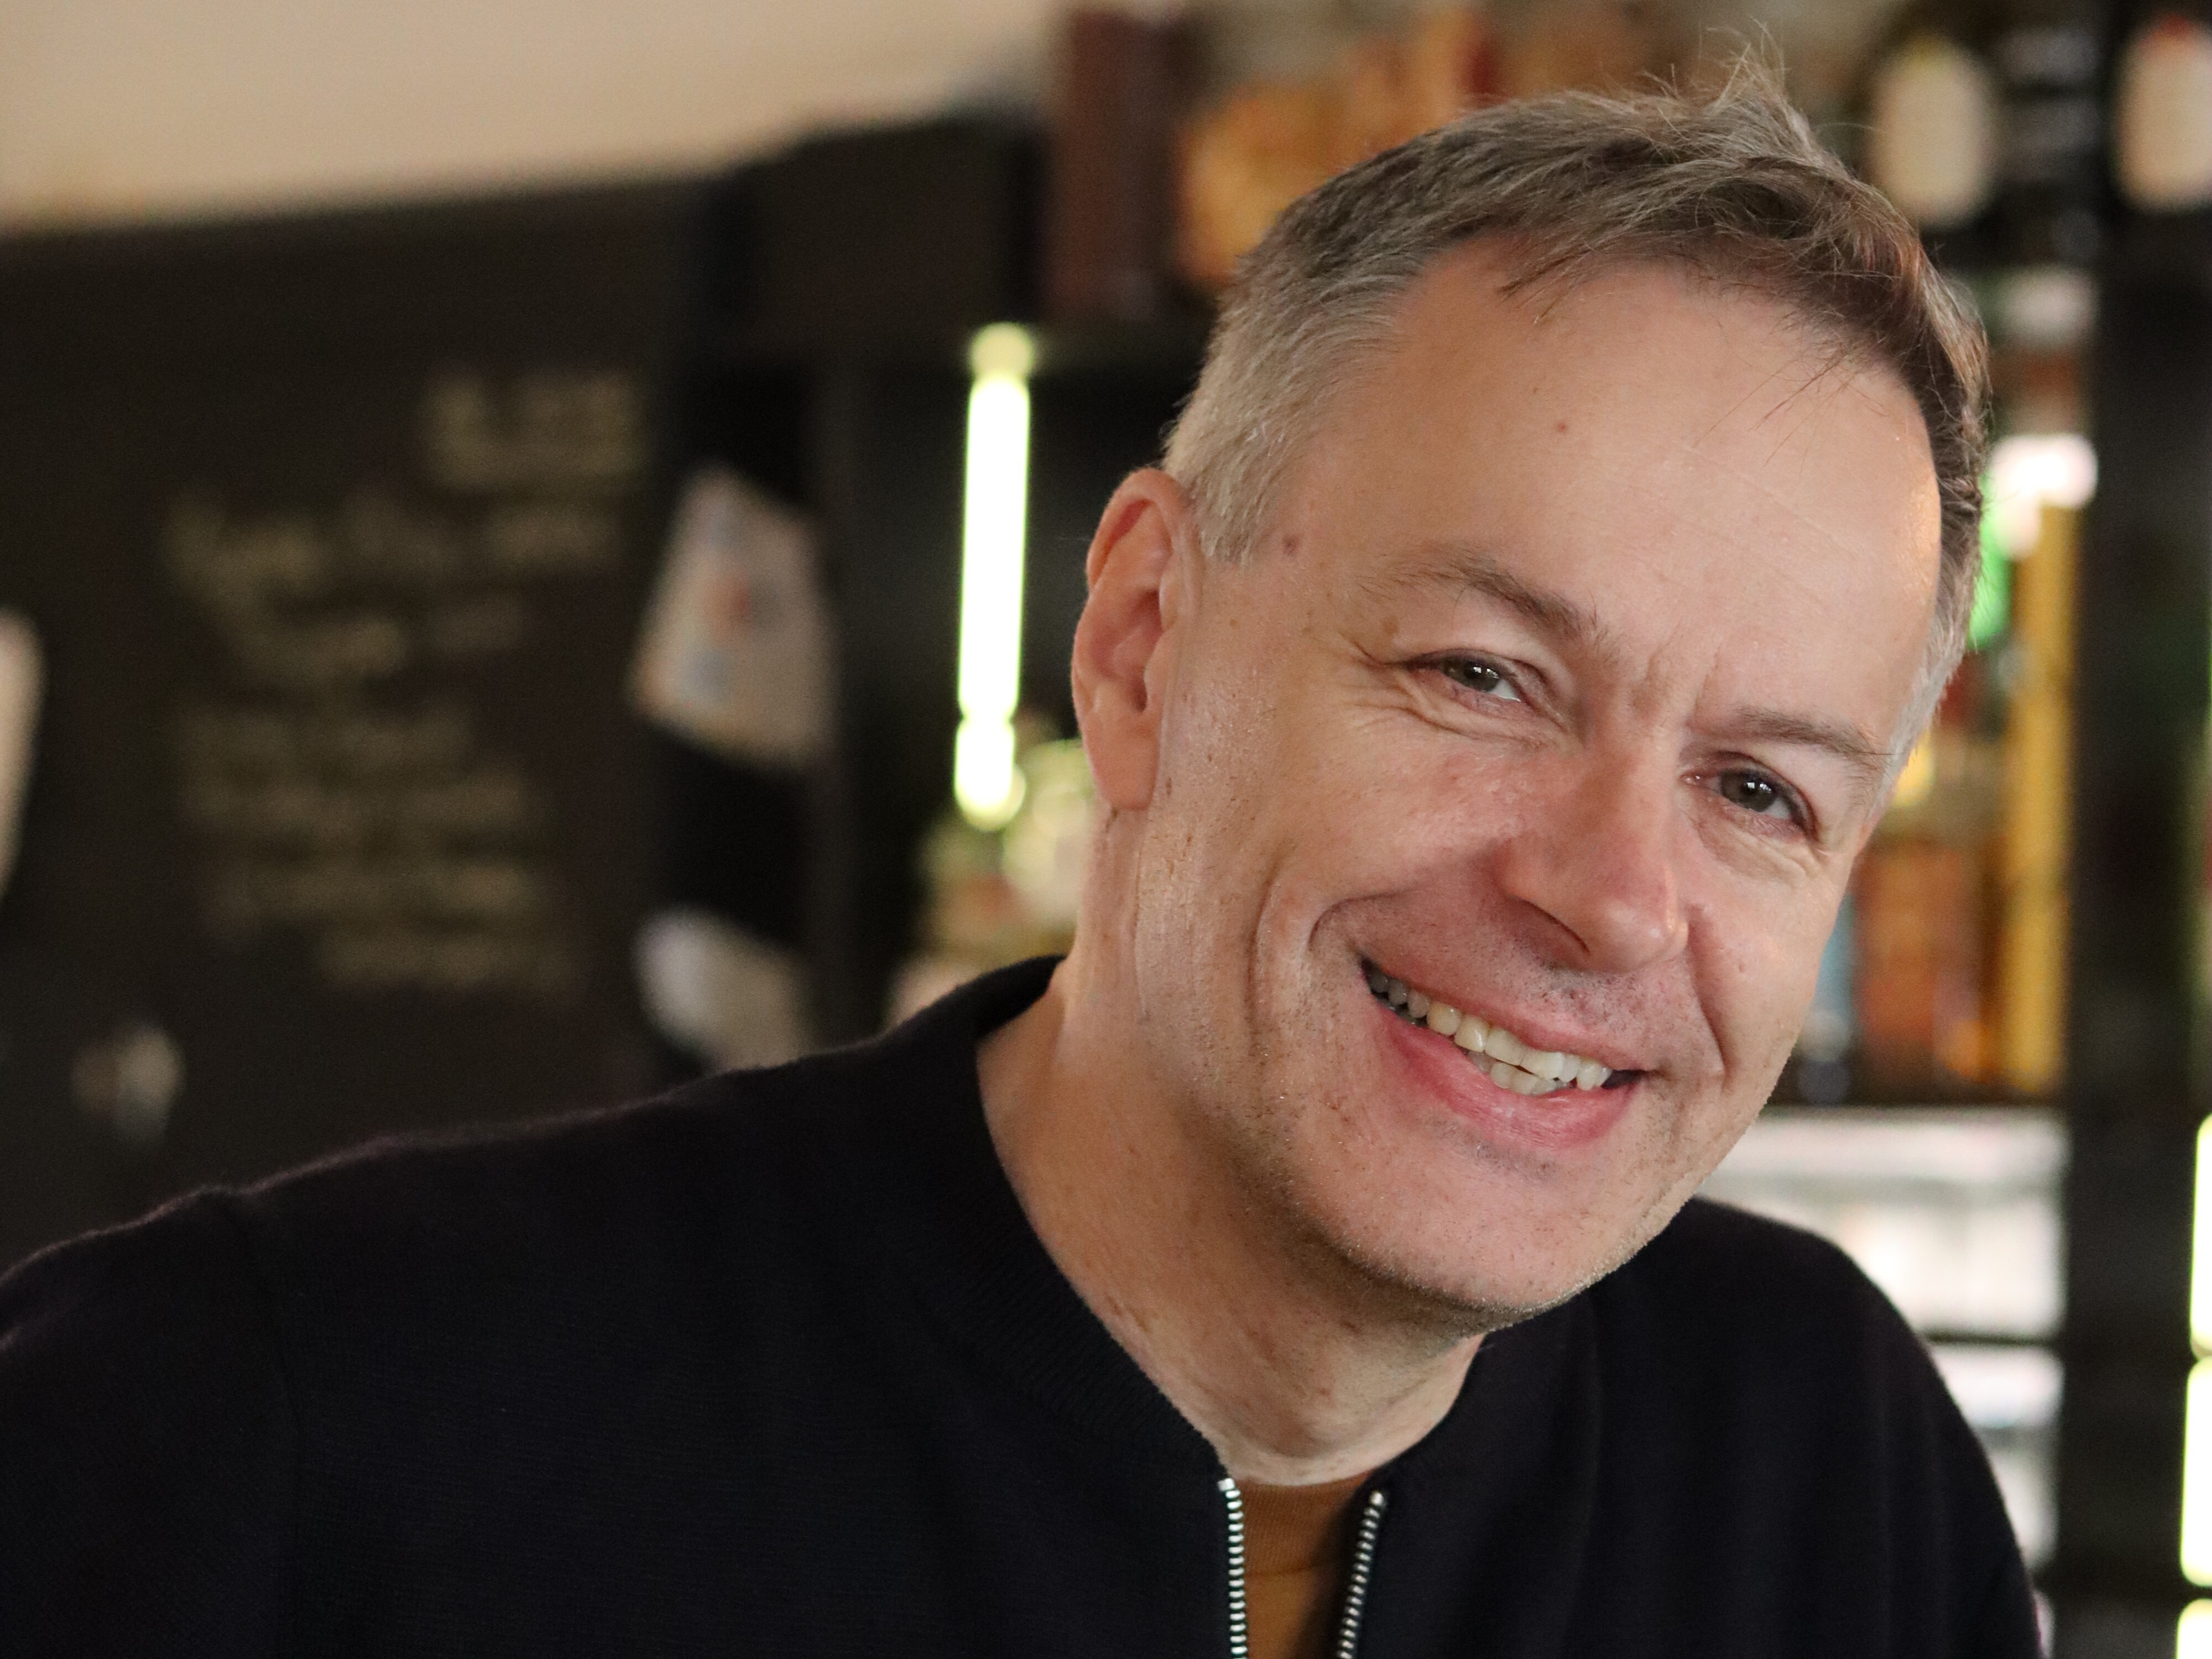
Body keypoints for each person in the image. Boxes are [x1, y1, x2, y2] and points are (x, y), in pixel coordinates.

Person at [0, 67, 2036, 1658]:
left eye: (1760, 791)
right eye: (1482, 676)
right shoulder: (278, 1429)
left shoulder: (1828, 1483)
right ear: (1144, 644)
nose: (1610, 895)